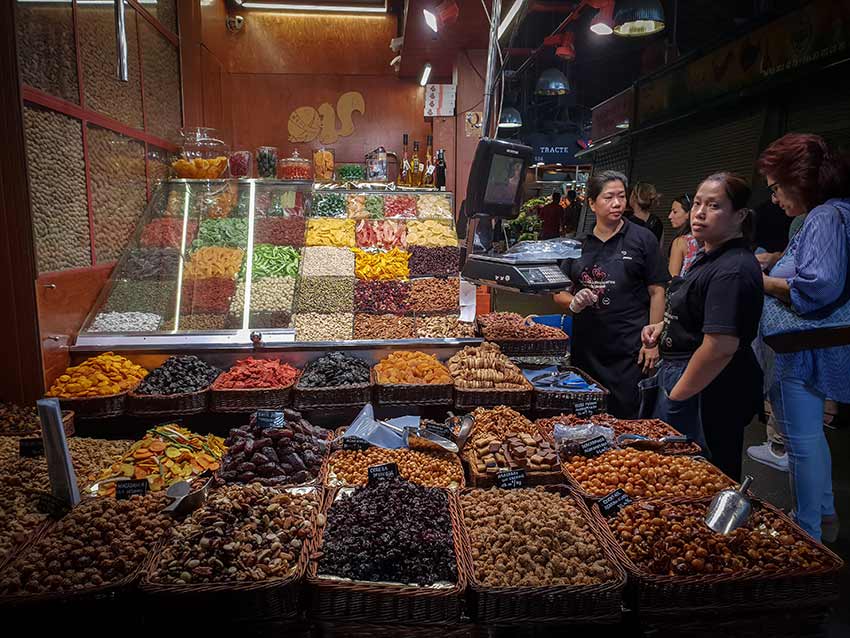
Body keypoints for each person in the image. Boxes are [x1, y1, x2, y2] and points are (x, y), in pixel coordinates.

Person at [756, 133, 850, 543]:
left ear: (800, 179)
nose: (775, 198)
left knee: (801, 440)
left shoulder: (825, 216)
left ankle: (807, 532)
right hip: (811, 349)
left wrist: (762, 281)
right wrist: (779, 261)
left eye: (777, 188)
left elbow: (818, 285)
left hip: (802, 351)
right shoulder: (834, 213)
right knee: (811, 436)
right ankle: (824, 517)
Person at [640, 173, 763, 481]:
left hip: (709, 387)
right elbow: (696, 313)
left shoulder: (731, 269)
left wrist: (676, 398)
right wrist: (664, 328)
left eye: (714, 206)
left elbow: (719, 346)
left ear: (740, 216)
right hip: (688, 376)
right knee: (676, 473)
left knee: (702, 475)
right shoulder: (709, 255)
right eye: (696, 203)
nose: (700, 213)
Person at [554, 170, 669, 418]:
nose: (617, 203)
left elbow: (657, 291)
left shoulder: (642, 239)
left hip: (629, 349)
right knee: (586, 415)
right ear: (592, 203)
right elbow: (559, 294)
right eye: (608, 197)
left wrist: (651, 342)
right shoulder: (577, 246)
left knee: (626, 415)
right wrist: (575, 301)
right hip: (587, 350)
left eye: (621, 196)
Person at [667, 193, 700, 277]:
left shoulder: (680, 242)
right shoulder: (707, 239)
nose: (669, 216)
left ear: (688, 214)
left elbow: (673, 278)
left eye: (675, 212)